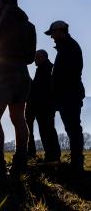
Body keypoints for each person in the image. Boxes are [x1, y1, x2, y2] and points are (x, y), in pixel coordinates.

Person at [0, 0, 36, 177]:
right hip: (23, 75)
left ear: (1, 3)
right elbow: (30, 57)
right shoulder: (29, 25)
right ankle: (21, 160)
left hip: (2, 73)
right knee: (18, 118)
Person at [45, 20, 85, 172]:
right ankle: (76, 161)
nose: (52, 37)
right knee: (72, 127)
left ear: (61, 31)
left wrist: (56, 93)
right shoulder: (66, 47)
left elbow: (66, 75)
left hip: (69, 95)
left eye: (53, 33)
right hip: (67, 94)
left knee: (73, 128)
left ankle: (76, 163)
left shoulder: (69, 48)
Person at [25, 50, 61, 162]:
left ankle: (53, 156)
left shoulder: (47, 68)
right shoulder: (42, 69)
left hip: (45, 106)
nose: (35, 59)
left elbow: (45, 88)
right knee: (46, 131)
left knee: (47, 131)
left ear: (43, 57)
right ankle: (51, 156)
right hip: (42, 106)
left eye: (37, 57)